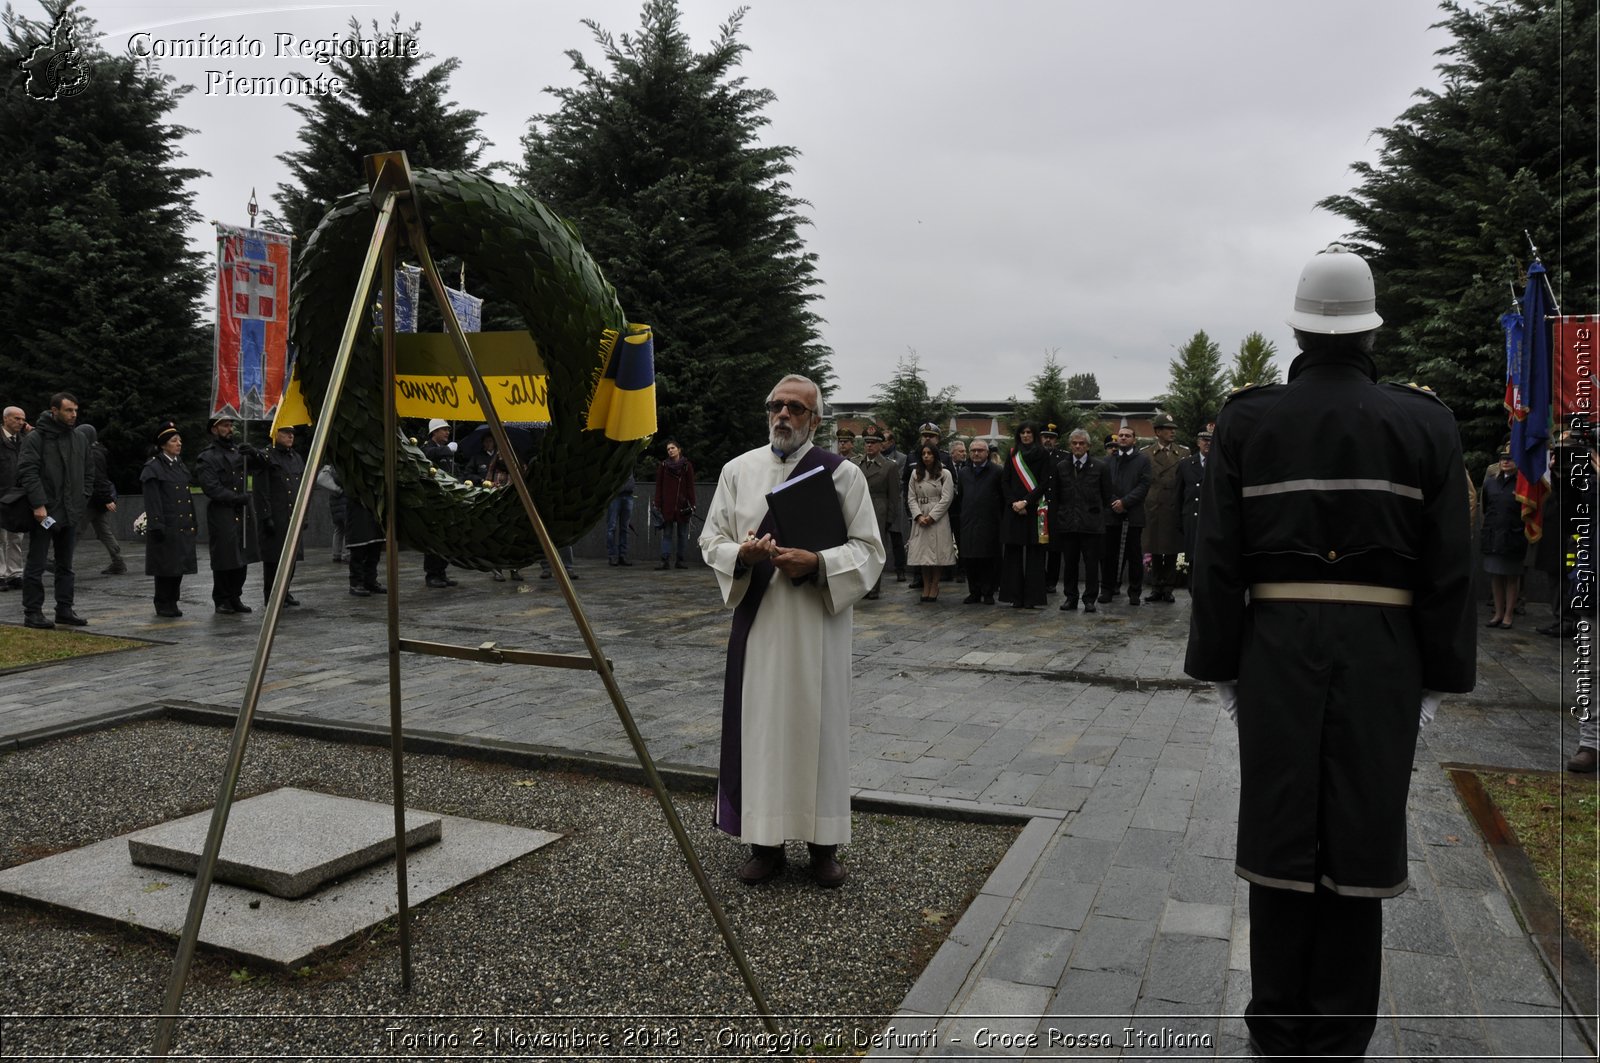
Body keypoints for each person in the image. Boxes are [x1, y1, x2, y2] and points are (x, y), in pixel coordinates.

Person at [1185, 243, 1475, 1059]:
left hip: (1276, 644)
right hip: (1386, 651)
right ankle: (1343, 1027)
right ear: (1370, 332)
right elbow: (1450, 565)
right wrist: (1436, 676)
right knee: (1364, 826)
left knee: (1280, 826)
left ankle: (1277, 1020)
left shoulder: (1248, 418)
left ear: (1301, 330)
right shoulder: (1426, 421)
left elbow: (1217, 559)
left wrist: (1220, 663)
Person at [698, 373, 883, 888]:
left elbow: (870, 551)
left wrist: (818, 562)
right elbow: (711, 540)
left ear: (815, 420)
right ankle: (765, 844)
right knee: (763, 730)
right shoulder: (738, 470)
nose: (783, 415)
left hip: (818, 628)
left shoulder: (843, 475)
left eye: (796, 409)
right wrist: (744, 554)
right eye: (776, 406)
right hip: (760, 626)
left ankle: (824, 846)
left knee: (819, 728)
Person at [15, 392, 93, 628]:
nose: (73, 415)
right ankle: (33, 612)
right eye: (69, 410)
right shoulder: (36, 438)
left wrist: (83, 498)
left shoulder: (79, 438)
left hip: (71, 512)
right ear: (54, 410)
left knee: (66, 565)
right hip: (44, 514)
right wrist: (39, 505)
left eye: (76, 411)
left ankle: (65, 609)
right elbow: (27, 471)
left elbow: (88, 471)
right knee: (36, 563)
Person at [195, 416, 264, 615]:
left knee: (242, 556)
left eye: (231, 425)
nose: (230, 428)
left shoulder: (238, 452)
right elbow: (211, 487)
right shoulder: (207, 457)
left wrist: (253, 452)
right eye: (225, 425)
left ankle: (236, 595)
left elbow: (262, 465)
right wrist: (236, 498)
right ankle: (222, 598)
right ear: (214, 429)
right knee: (225, 557)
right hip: (223, 511)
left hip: (242, 511)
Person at [1049, 428, 1112, 612]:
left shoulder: (1100, 467)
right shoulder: (1061, 467)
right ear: (1070, 445)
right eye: (1075, 443)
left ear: (1088, 446)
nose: (1078, 446)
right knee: (1069, 564)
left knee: (1091, 565)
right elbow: (1057, 495)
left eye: (1081, 443)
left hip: (1091, 525)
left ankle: (1090, 598)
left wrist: (1100, 518)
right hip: (1068, 524)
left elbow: (1107, 495)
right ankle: (1071, 597)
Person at [140, 421, 197, 618]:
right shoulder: (154, 467)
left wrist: (193, 522)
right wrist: (156, 525)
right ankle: (162, 602)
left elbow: (187, 497)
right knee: (165, 566)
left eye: (179, 440)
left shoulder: (179, 465)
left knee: (178, 566)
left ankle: (173, 600)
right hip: (165, 525)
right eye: (174, 441)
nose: (179, 444)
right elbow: (153, 500)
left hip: (181, 525)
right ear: (163, 444)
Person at [253, 423, 306, 607]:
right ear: (275, 433)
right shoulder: (266, 457)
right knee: (274, 559)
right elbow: (260, 490)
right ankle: (272, 594)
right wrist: (266, 516)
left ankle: (285, 591)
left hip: (292, 514)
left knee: (291, 558)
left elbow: (302, 487)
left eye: (292, 433)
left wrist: (303, 514)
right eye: (286, 432)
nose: (290, 436)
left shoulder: (296, 457)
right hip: (276, 515)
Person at [1099, 425, 1151, 606]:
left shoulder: (1142, 460)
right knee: (1109, 555)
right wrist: (1115, 502)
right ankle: (1107, 589)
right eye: (1120, 435)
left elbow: (1144, 485)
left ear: (1134, 439)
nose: (1122, 438)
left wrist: (1125, 502)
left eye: (1127, 436)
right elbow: (1104, 486)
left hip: (1133, 515)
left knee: (1134, 556)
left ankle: (1135, 592)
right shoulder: (1107, 461)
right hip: (1111, 515)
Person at [998, 422, 1047, 608]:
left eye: (1029, 432)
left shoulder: (1042, 454)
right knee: (1013, 555)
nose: (1025, 436)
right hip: (1014, 510)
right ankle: (1014, 596)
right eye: (1022, 433)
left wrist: (1026, 502)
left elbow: (1044, 483)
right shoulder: (1013, 454)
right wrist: (1014, 503)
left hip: (1035, 509)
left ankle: (1032, 598)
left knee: (1035, 555)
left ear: (1034, 435)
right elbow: (1005, 481)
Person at [1142, 413, 1189, 603]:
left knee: (1171, 549)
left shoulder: (1183, 453)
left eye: (1173, 429)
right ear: (1158, 432)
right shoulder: (1146, 453)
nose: (1172, 432)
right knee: (1153, 547)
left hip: (1172, 505)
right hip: (1153, 506)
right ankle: (1156, 586)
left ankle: (1168, 587)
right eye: (1168, 429)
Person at [1480, 446, 1525, 629]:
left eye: (1510, 458)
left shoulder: (1523, 483)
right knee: (1496, 576)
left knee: (1511, 577)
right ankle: (1498, 613)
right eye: (1502, 458)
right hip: (1493, 534)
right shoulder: (1490, 483)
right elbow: (1486, 506)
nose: (1505, 461)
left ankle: (1508, 615)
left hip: (1513, 534)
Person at [906, 442, 956, 603]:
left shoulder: (944, 473)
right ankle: (926, 585)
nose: (926, 456)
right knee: (923, 554)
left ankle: (935, 585)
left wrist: (932, 516)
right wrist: (918, 515)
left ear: (935, 455)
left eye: (929, 453)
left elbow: (947, 498)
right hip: (920, 515)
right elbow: (911, 497)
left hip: (937, 517)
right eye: (923, 454)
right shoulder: (915, 474)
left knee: (937, 553)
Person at [956, 437, 1004, 604]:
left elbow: (1002, 497)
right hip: (968, 522)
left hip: (989, 522)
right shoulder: (963, 473)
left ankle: (988, 592)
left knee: (988, 559)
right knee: (970, 559)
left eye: (980, 450)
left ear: (987, 453)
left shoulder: (997, 472)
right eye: (973, 451)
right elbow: (961, 496)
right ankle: (974, 591)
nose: (976, 453)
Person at [856, 428, 897, 600]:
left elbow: (894, 495)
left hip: (878, 510)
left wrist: (889, 518)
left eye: (873, 442)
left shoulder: (889, 466)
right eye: (867, 442)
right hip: (858, 510)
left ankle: (873, 587)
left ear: (881, 445)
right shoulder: (855, 463)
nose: (869, 445)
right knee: (858, 549)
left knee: (875, 550)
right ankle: (860, 586)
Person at [419, 418, 460, 589]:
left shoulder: (446, 452)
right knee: (434, 538)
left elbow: (455, 472)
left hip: (447, 500)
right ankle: (432, 574)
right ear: (434, 432)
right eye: (444, 429)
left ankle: (441, 572)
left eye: (448, 429)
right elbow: (426, 456)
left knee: (446, 538)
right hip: (433, 501)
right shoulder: (427, 448)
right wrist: (446, 450)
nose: (447, 432)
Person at [81, 429, 124, 575]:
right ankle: (118, 562)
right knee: (104, 531)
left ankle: (60, 560)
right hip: (98, 499)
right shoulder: (98, 451)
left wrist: (106, 498)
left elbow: (98, 478)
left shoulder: (92, 454)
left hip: (92, 499)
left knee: (75, 530)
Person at [653, 439, 696, 569]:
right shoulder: (664, 466)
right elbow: (659, 486)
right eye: (668, 449)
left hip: (683, 505)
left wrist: (692, 503)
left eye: (672, 448)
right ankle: (664, 560)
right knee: (667, 533)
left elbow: (690, 486)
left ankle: (680, 560)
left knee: (682, 534)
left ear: (679, 449)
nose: (670, 450)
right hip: (668, 506)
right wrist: (657, 503)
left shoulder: (687, 466)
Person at [0, 405, 27, 590]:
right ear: (5, 419)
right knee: (0, 538)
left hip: (17, 497)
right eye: (16, 418)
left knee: (16, 537)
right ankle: (1, 574)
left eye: (23, 419)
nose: (21, 422)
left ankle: (15, 573)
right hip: (1, 495)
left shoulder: (23, 440)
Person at [1177, 428, 1211, 567]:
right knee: (1193, 557)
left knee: (1210, 556)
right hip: (1192, 516)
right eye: (1204, 440)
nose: (1208, 443)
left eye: (1211, 441)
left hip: (1211, 518)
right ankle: (1192, 587)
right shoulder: (1186, 464)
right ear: (1198, 443)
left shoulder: (1220, 463)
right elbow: (1179, 494)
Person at [317, 463, 348, 564]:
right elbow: (341, 481)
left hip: (335, 503)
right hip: (343, 501)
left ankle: (336, 554)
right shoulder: (338, 469)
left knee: (339, 529)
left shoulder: (330, 469)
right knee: (346, 528)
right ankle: (345, 554)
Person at [606, 472, 636, 566]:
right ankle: (612, 555)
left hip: (628, 495)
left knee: (625, 528)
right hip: (615, 495)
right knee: (612, 527)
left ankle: (622, 555)